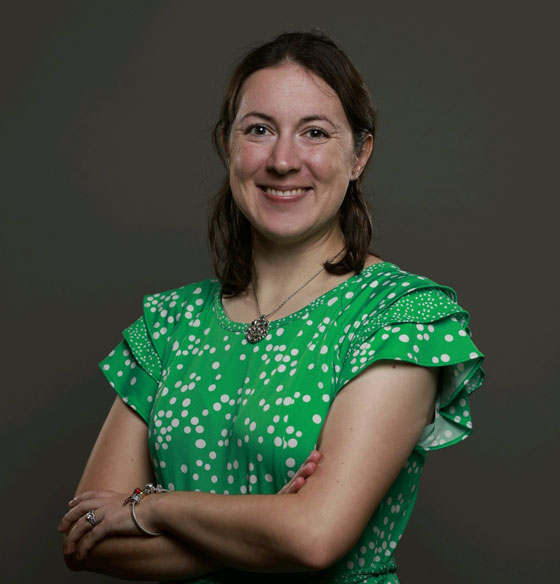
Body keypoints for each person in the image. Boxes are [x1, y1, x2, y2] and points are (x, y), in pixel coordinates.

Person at [58, 30, 485, 583]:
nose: (284, 160)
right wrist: (266, 530)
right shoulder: (167, 323)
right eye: (259, 130)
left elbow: (313, 538)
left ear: (359, 154)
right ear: (227, 146)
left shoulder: (399, 316)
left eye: (314, 133)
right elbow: (86, 539)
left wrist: (154, 506)